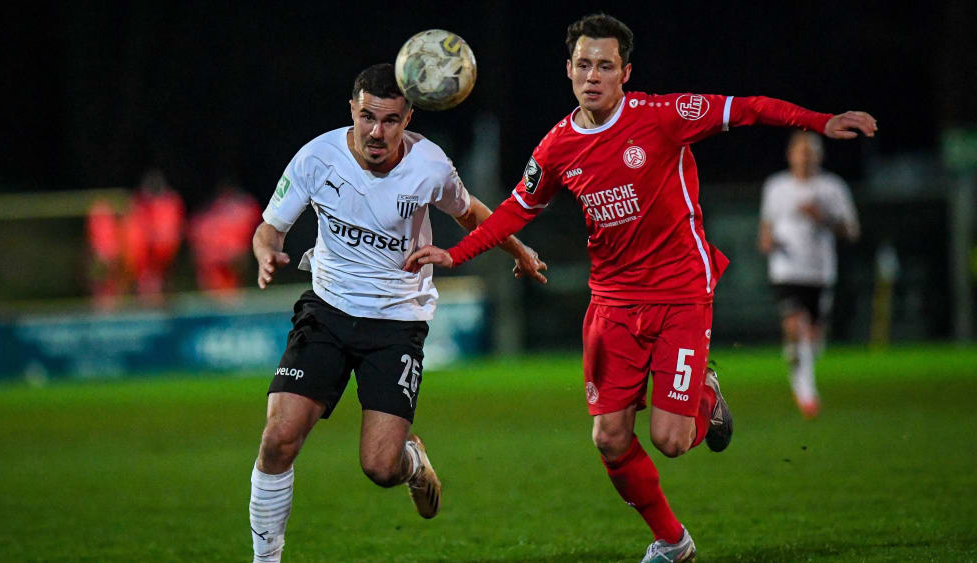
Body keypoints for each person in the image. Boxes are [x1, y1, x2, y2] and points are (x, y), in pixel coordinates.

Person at [405, 13, 876, 563]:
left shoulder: (664, 116)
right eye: (584, 64)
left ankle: (704, 393)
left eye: (605, 65)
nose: (593, 75)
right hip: (612, 302)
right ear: (568, 69)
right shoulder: (558, 146)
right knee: (608, 437)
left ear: (625, 72)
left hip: (680, 291)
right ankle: (673, 541)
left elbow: (747, 108)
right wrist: (454, 253)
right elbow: (516, 208)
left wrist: (820, 121)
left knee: (672, 440)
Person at [247, 63, 547, 563]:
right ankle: (266, 559)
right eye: (367, 117)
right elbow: (269, 229)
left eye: (389, 120)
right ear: (352, 110)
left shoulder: (429, 165)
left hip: (396, 323)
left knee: (380, 468)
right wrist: (265, 251)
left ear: (407, 117)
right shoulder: (316, 158)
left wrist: (518, 251)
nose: (376, 132)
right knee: (278, 437)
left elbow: (469, 210)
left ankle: (411, 459)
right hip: (326, 310)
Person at [758, 131, 860, 419]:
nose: (804, 157)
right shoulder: (776, 186)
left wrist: (822, 217)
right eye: (799, 151)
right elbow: (766, 226)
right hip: (786, 270)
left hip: (819, 271)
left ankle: (800, 359)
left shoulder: (832, 188)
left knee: (813, 338)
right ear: (790, 155)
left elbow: (851, 231)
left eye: (809, 152)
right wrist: (766, 242)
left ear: (819, 156)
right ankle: (806, 393)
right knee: (795, 325)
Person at [188, 179, 262, 299]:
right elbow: (197, 255)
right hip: (212, 291)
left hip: (232, 290)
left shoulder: (244, 211)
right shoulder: (202, 224)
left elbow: (240, 258)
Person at [122, 168, 185, 304]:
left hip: (159, 256)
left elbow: (171, 235)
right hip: (145, 258)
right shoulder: (138, 207)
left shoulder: (169, 204)